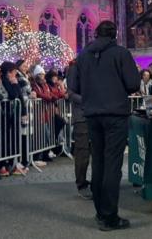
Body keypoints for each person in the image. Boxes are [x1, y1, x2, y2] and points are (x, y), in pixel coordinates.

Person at [70, 21, 139, 231]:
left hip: (92, 113)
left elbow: (74, 86)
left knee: (98, 162)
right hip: (115, 113)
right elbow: (133, 84)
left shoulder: (82, 56)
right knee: (112, 165)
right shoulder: (121, 53)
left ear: (95, 34)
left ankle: (100, 212)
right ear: (114, 35)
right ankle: (109, 216)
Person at [65, 60, 92, 200]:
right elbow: (70, 93)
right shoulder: (75, 67)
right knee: (82, 152)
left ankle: (95, 183)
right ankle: (81, 184)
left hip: (97, 114)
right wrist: (88, 100)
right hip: (82, 115)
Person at [0, 61, 28, 176]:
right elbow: (13, 95)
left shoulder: (12, 80)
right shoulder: (5, 81)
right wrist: (15, 84)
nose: (15, 74)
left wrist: (24, 112)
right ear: (8, 73)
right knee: (6, 140)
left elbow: (19, 96)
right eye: (14, 72)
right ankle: (6, 163)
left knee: (15, 138)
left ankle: (14, 162)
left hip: (14, 113)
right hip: (5, 114)